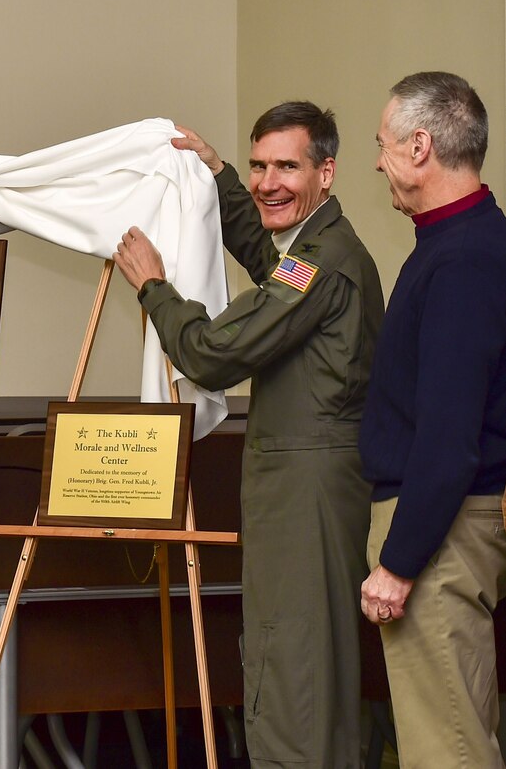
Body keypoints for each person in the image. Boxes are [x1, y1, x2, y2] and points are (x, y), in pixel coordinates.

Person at [113, 102, 383, 768]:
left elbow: (211, 354)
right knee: (305, 663)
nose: (269, 182)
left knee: (293, 667)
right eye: (259, 166)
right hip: (304, 488)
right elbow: (269, 253)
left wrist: (155, 290)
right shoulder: (311, 249)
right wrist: (218, 176)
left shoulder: (319, 262)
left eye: (285, 167)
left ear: (326, 172)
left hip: (306, 494)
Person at [359, 71, 506, 767]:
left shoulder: (463, 259)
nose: (376, 161)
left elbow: (448, 439)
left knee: (446, 748)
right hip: (443, 525)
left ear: (419, 146)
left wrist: (397, 562)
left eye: (382, 144)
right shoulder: (455, 242)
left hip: (438, 532)